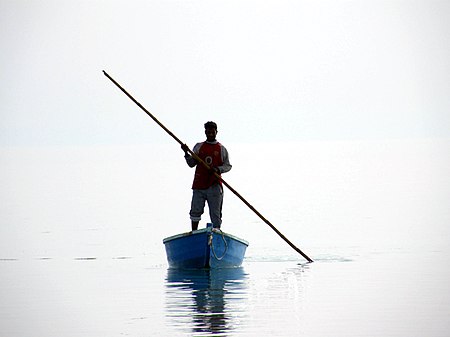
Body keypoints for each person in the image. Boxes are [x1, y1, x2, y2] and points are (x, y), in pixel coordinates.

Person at [181, 121, 232, 231]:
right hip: (199, 185)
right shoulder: (199, 147)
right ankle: (194, 233)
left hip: (214, 186)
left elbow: (228, 166)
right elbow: (191, 164)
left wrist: (218, 169)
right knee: (195, 210)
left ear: (216, 132)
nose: (210, 133)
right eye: (208, 131)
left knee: (215, 213)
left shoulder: (221, 149)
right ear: (205, 132)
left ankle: (216, 232)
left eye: (212, 131)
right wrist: (186, 153)